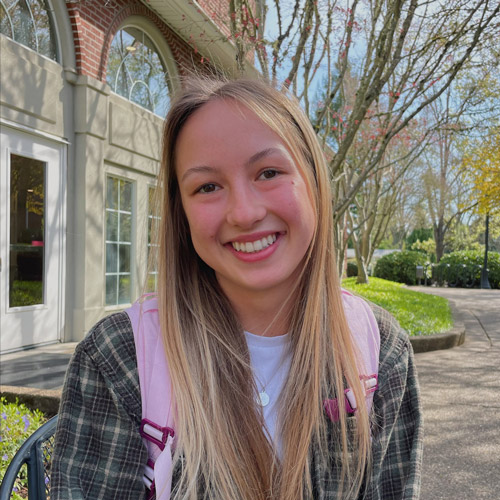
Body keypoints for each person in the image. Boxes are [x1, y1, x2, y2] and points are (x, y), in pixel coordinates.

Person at [51, 78, 423, 500]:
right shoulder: (119, 358)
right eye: (207, 187)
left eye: (268, 172)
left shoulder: (379, 351)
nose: (244, 213)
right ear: (182, 213)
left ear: (315, 183)